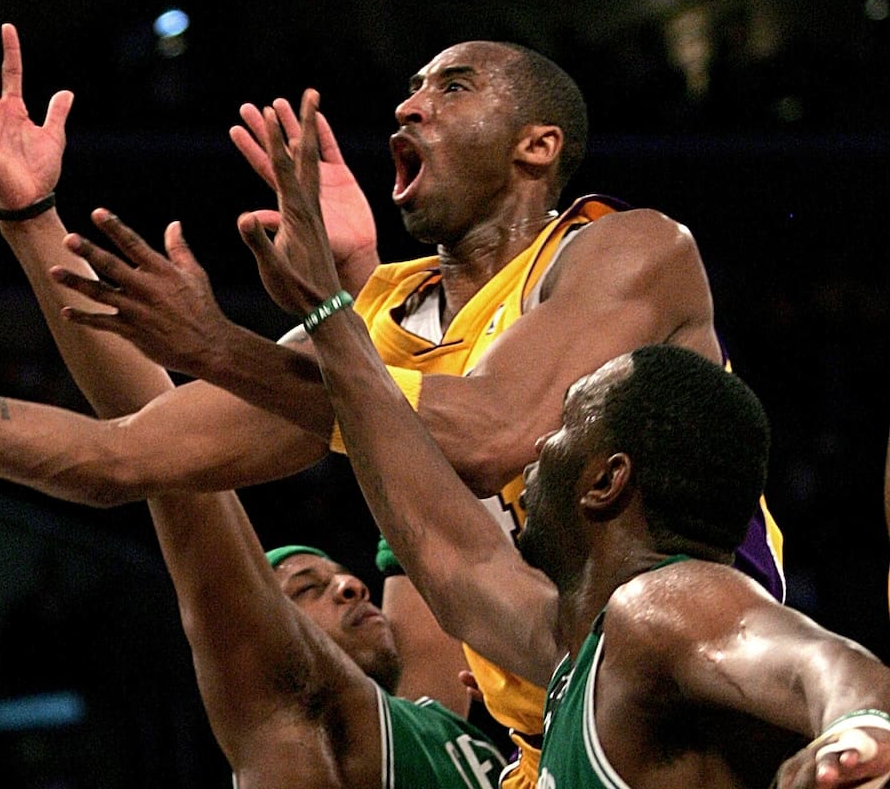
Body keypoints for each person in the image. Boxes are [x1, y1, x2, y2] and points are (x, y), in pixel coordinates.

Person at [0, 21, 508, 788]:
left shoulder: (437, 723)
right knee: (183, 477)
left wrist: (356, 279)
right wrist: (30, 225)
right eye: (305, 591)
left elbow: (404, 471)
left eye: (337, 578)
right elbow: (149, 447)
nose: (348, 585)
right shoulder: (294, 714)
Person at [224, 120, 890, 781]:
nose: (539, 442)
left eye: (565, 425)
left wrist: (861, 725)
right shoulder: (566, 649)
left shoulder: (663, 607)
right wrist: (318, 318)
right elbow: (446, 547)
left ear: (606, 482)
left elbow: (820, 663)